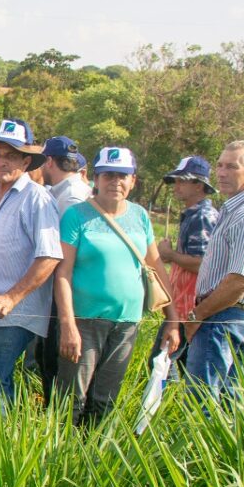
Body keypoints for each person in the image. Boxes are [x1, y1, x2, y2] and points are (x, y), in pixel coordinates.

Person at [54, 147, 181, 426]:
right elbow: (63, 273)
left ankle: (95, 455)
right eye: (108, 175)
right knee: (72, 396)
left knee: (105, 396)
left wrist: (172, 320)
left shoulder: (140, 216)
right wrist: (68, 325)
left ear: (133, 181)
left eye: (123, 176)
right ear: (95, 179)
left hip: (126, 322)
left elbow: (157, 268)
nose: (116, 182)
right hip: (84, 321)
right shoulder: (77, 216)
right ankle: (61, 455)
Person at [0, 119, 62, 403]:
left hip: (14, 311)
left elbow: (49, 256)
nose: (1, 161)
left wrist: (11, 297)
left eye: (10, 155)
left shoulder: (37, 199)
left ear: (25, 160)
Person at [185, 141, 244, 405]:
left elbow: (239, 280)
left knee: (201, 401)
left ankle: (197, 447)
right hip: (226, 316)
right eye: (220, 165)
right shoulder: (235, 208)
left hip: (221, 317)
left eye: (232, 167)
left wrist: (198, 315)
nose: (222, 173)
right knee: (223, 401)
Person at [37, 135, 93, 405]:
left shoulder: (70, 197)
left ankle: (60, 427)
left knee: (57, 364)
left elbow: (64, 254)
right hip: (64, 290)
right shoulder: (62, 192)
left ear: (49, 161)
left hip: (67, 292)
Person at [152, 156, 219, 371]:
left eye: (182, 181)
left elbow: (201, 264)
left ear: (199, 185)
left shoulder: (202, 216)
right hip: (183, 306)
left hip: (190, 306)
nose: (176, 186)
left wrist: (170, 254)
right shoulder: (193, 214)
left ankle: (162, 403)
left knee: (161, 362)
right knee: (175, 364)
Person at [41, 136, 92, 212]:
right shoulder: (78, 190)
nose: (41, 167)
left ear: (49, 161)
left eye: (42, 162)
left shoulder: (70, 198)